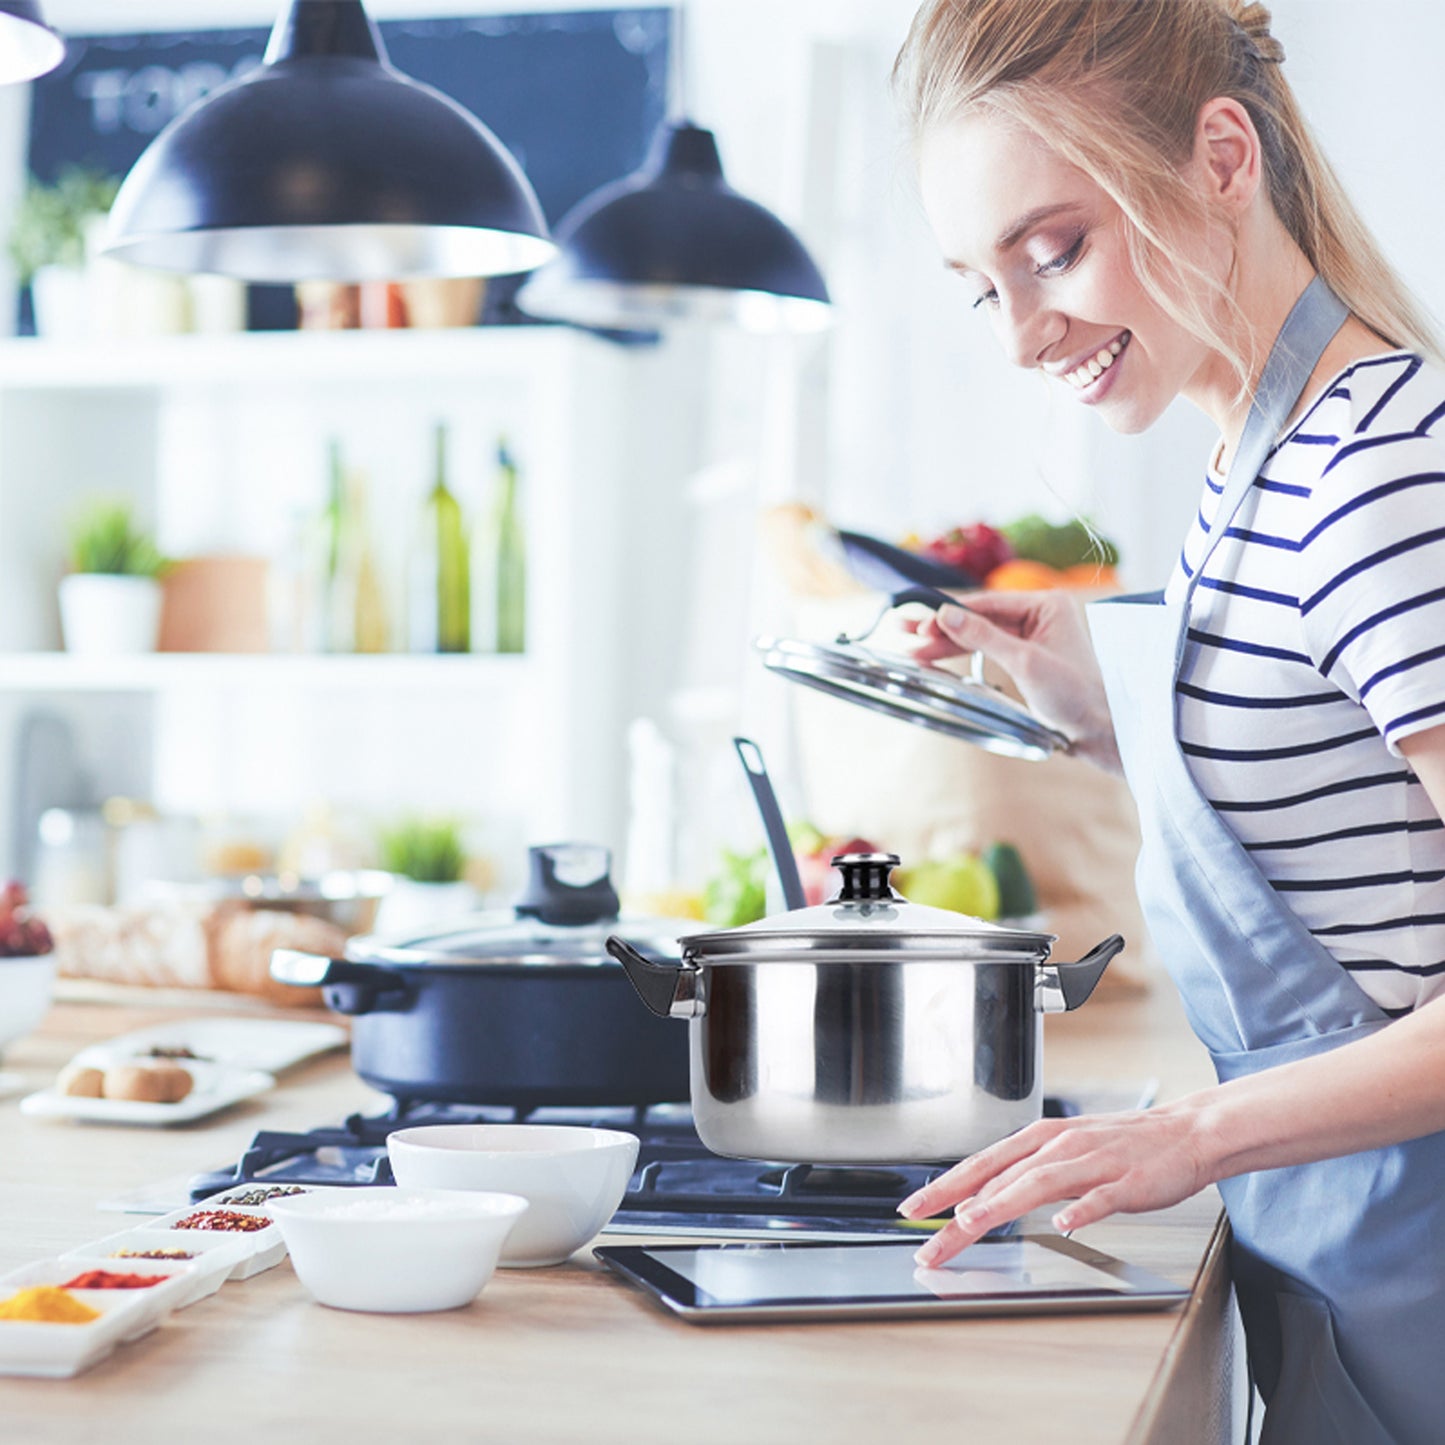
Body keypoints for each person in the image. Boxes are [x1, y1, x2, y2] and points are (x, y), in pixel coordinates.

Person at [887, 3, 1445, 1442]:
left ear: (1221, 158)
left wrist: (1189, 1134)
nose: (1025, 336)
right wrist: (1090, 711)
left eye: (1054, 250)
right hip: (1351, 1243)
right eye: (984, 287)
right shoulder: (1256, 454)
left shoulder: (1371, 477)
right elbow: (1349, 833)